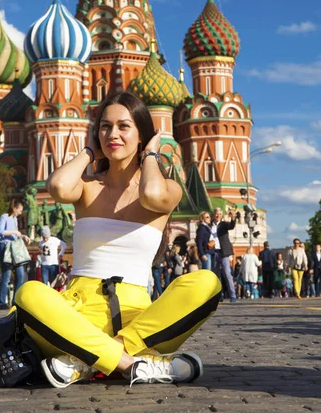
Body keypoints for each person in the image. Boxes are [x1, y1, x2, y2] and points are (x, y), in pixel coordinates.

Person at [14, 91, 221, 389]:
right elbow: (58, 185)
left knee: (207, 283)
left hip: (139, 320)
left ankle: (87, 359)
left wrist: (150, 155)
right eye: (105, 127)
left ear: (142, 135)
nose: (113, 134)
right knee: (29, 294)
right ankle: (130, 364)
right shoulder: (86, 187)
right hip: (76, 316)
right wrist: (89, 152)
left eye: (124, 126)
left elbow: (150, 195)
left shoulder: (168, 188)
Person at [0, 198, 31, 310]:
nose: (20, 212)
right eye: (19, 210)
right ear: (14, 208)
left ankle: (15, 301)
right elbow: (0, 231)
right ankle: (2, 302)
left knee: (21, 274)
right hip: (5, 247)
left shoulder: (15, 219)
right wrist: (15, 232)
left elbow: (15, 235)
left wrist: (23, 236)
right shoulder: (4, 217)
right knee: (6, 275)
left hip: (14, 248)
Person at [211, 208, 237, 302]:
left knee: (227, 273)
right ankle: (219, 295)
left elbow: (231, 225)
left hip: (223, 252)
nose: (218, 216)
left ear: (221, 216)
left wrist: (233, 218)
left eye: (219, 214)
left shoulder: (223, 224)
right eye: (216, 214)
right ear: (213, 215)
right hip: (214, 252)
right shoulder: (209, 225)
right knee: (216, 275)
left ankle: (233, 295)